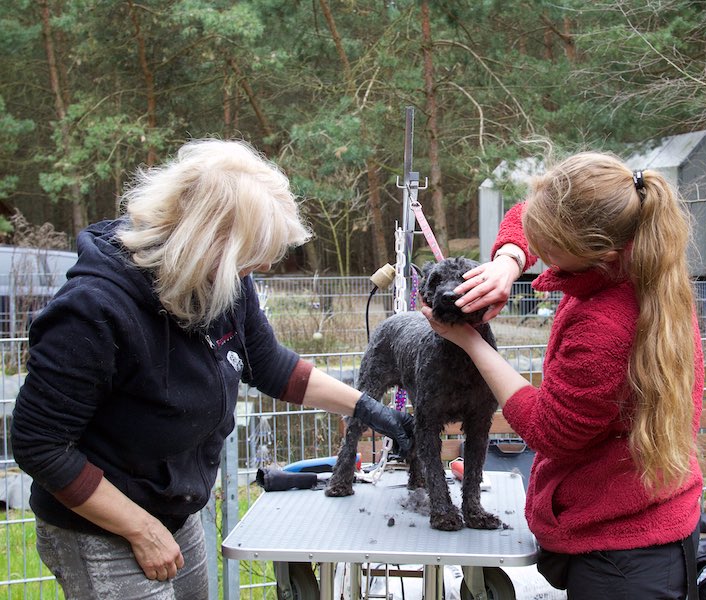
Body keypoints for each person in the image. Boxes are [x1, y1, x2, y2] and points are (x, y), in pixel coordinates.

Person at [11, 138, 414, 600]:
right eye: (254, 252)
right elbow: (39, 445)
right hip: (102, 525)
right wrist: (140, 528)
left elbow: (268, 363)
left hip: (174, 511)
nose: (264, 264)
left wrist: (370, 410)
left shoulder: (223, 279)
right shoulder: (92, 310)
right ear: (207, 239)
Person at [422, 152, 704, 599]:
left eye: (546, 245)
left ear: (597, 251)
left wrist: (470, 341)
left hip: (623, 561)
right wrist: (509, 261)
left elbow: (548, 429)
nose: (539, 251)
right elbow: (530, 215)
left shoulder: (605, 325)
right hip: (648, 523)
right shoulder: (641, 255)